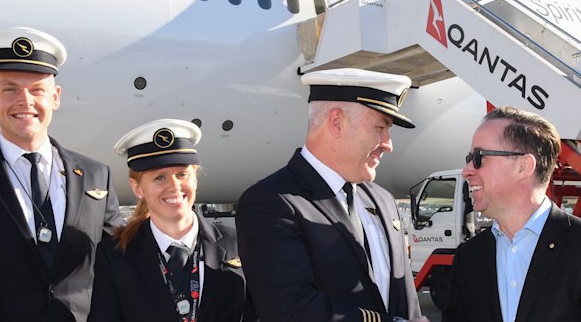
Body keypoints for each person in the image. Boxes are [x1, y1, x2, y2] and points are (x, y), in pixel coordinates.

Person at [0, 27, 123, 322]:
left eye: (37, 90)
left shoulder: (97, 177)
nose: (25, 101)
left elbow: (116, 271)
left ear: (55, 97)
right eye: (9, 89)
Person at [236, 68, 429, 322]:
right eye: (380, 128)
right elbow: (291, 309)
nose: (388, 144)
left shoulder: (383, 200)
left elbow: (406, 303)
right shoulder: (272, 202)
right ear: (336, 122)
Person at [89, 119, 256, 322]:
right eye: (160, 177)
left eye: (182, 174)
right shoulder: (115, 256)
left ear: (195, 178)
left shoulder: (239, 245)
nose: (175, 186)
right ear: (137, 188)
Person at [442, 106, 581, 322]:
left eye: (479, 157)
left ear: (524, 167)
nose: (467, 170)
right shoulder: (469, 257)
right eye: (469, 158)